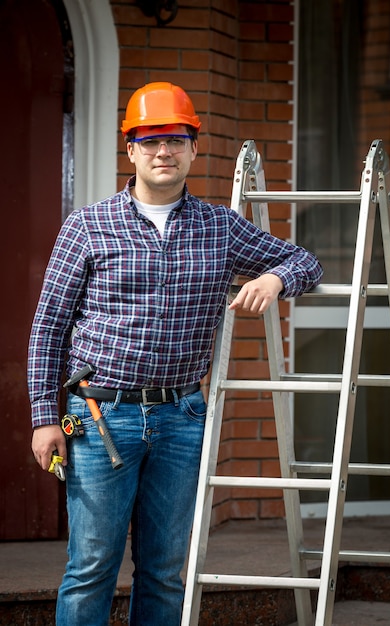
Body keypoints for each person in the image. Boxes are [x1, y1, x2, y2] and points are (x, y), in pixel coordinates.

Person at [28, 81, 323, 626]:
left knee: (164, 569)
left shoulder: (221, 228)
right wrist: (45, 419)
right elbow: (47, 328)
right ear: (131, 149)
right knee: (91, 565)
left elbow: (307, 261)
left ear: (193, 147)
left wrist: (278, 279)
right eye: (150, 140)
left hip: (182, 417)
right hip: (97, 418)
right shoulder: (87, 226)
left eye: (175, 139)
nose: (163, 151)